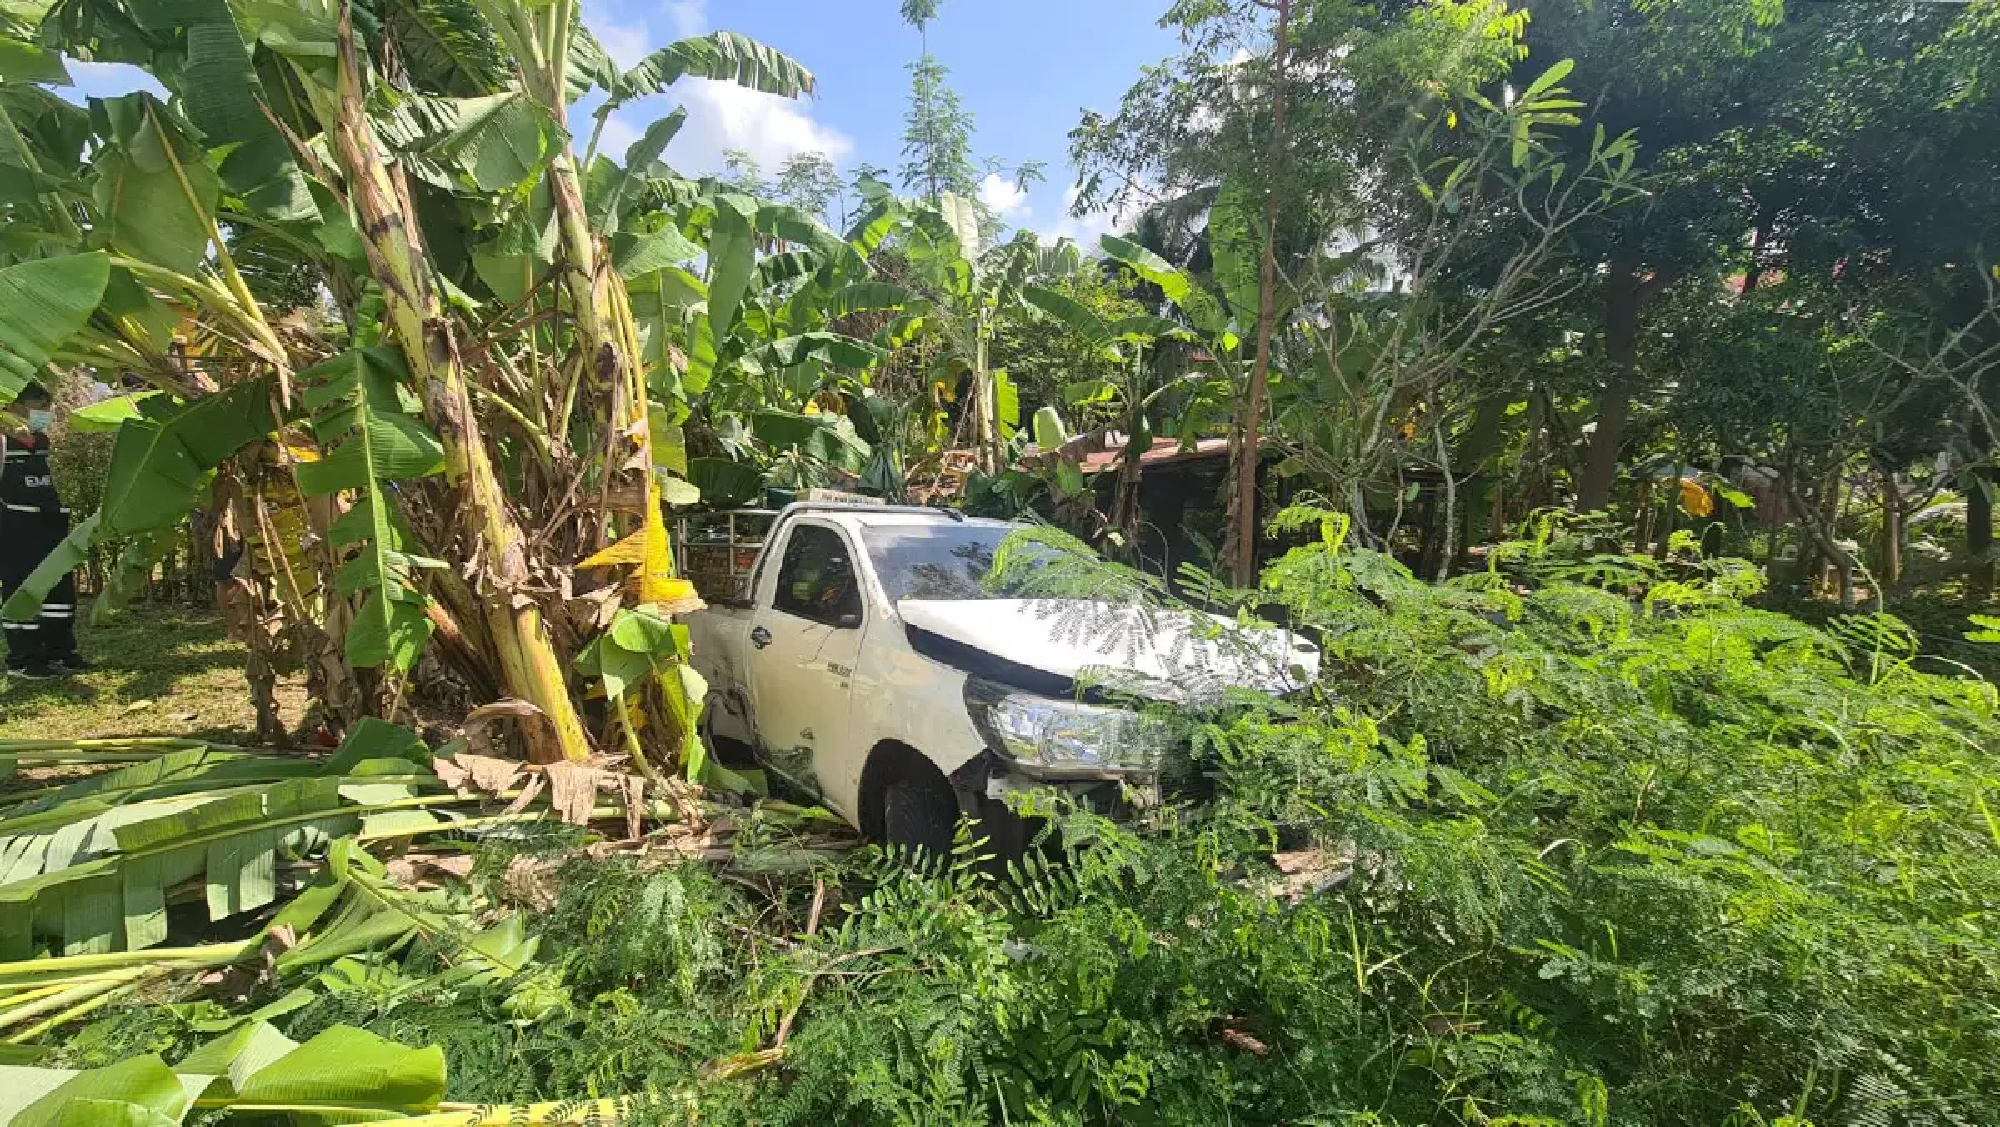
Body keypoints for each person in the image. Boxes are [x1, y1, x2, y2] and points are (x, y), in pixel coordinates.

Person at [1, 383, 84, 678]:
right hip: (14, 530)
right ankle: (24, 659)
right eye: (40, 407)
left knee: (59, 593)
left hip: (49, 526)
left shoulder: (41, 442)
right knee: (20, 591)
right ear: (15, 407)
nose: (45, 414)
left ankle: (60, 652)